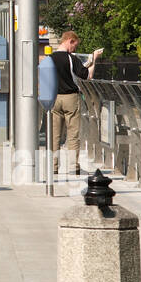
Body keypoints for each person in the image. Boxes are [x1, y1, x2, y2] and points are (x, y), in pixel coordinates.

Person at [49, 31, 103, 175]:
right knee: (73, 134)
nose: (75, 49)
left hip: (54, 98)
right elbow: (87, 75)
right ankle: (73, 166)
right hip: (70, 98)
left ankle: (53, 167)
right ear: (70, 41)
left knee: (54, 135)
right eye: (75, 45)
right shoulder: (71, 58)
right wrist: (94, 59)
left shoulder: (50, 58)